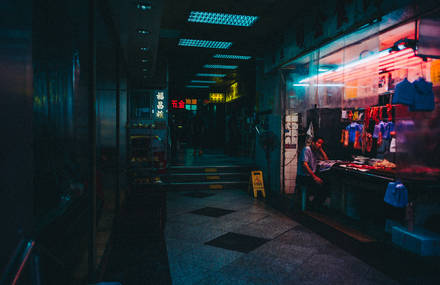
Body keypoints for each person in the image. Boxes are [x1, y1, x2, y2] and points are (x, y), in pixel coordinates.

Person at [297, 136, 330, 210]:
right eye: (318, 143)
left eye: (321, 144)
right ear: (313, 143)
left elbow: (326, 160)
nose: (320, 145)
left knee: (327, 184)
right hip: (303, 176)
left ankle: (315, 204)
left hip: (310, 176)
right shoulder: (307, 149)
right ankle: (315, 205)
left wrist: (321, 150)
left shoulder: (316, 151)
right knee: (322, 186)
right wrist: (314, 177)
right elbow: (304, 164)